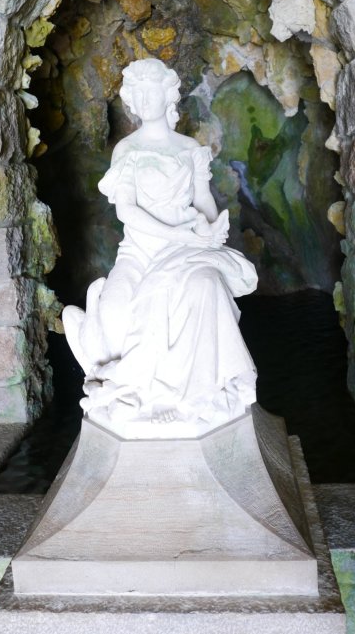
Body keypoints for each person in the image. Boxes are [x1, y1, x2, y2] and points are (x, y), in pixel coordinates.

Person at [63, 58, 258, 436]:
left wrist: (209, 227)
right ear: (132, 101)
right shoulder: (127, 150)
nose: (145, 99)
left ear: (167, 94)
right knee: (116, 313)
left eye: (152, 90)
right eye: (138, 93)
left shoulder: (189, 148)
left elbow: (202, 200)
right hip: (140, 252)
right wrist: (182, 234)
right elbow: (127, 211)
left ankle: (193, 396)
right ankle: (129, 390)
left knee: (205, 284)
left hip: (186, 251)